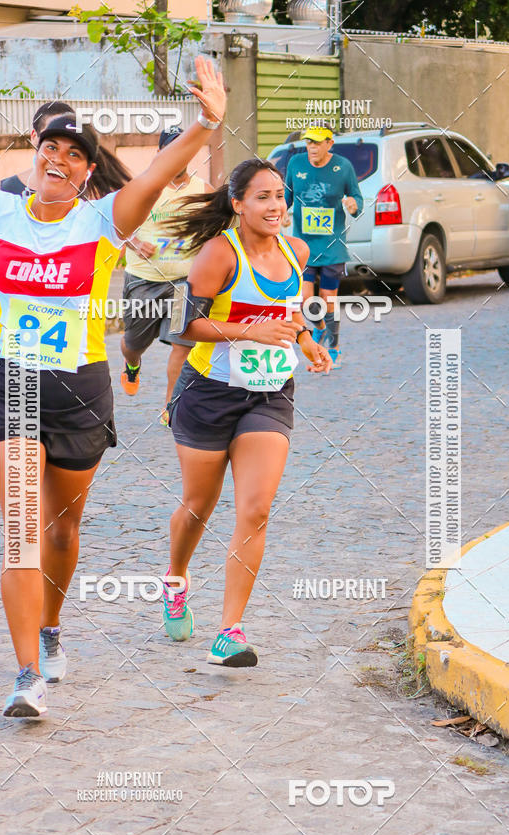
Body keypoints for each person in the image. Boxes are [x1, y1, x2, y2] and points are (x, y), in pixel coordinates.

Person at [0, 55, 226, 716]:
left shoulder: (103, 223)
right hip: (9, 382)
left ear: (87, 170)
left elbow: (153, 175)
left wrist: (207, 123)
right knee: (22, 528)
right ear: (35, 156)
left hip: (78, 391)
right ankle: (26, 676)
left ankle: (51, 629)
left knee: (62, 533)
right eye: (49, 147)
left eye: (73, 153)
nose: (59, 158)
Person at [160, 158, 331, 665]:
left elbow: (291, 312)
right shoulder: (217, 254)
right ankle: (176, 579)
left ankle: (229, 631)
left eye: (280, 195)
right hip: (208, 392)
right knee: (197, 505)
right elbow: (183, 327)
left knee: (255, 508)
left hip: (270, 392)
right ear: (237, 204)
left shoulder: (295, 251)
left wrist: (306, 340)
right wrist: (250, 330)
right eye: (262, 196)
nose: (275, 205)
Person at [120, 127, 212, 422]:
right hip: (144, 279)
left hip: (186, 281)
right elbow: (114, 225)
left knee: (182, 344)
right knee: (134, 344)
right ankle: (131, 364)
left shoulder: (204, 191)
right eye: (172, 148)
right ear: (159, 153)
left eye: (184, 147)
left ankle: (171, 406)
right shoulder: (142, 187)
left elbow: (219, 228)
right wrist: (134, 242)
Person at [0, 101, 76, 271]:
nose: (58, 154)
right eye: (51, 141)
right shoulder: (6, 191)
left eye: (68, 143)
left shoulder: (84, 193)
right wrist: (7, 270)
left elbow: (114, 245)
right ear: (34, 137)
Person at [284, 125, 363, 368]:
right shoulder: (296, 164)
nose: (312, 148)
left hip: (332, 247)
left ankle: (334, 346)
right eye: (309, 143)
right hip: (304, 247)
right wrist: (282, 214)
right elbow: (286, 196)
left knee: (328, 299)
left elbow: (357, 197)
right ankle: (318, 328)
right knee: (307, 299)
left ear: (330, 143)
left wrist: (353, 205)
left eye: (317, 143)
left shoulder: (343, 167)